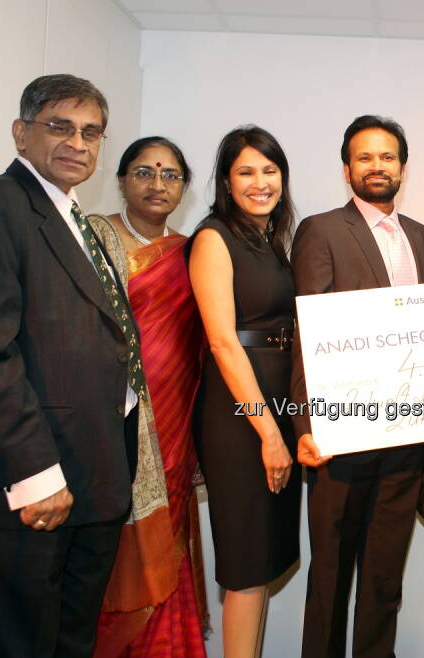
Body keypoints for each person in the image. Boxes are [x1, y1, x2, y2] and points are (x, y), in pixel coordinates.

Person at [0, 74, 139, 657]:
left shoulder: (79, 223)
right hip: (29, 483)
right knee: (12, 646)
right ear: (21, 134)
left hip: (93, 476)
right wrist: (34, 475)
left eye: (91, 132)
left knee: (69, 644)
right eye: (60, 127)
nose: (78, 143)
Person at [292, 115, 424, 658]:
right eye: (366, 157)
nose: (378, 166)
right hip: (340, 439)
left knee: (383, 580)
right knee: (330, 579)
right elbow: (309, 331)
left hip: (406, 439)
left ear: (402, 166)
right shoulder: (322, 230)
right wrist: (308, 426)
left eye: (388, 157)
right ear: (347, 168)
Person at [88, 137, 208, 657]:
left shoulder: (192, 252)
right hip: (107, 420)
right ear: (120, 180)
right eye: (143, 172)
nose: (157, 184)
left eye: (170, 175)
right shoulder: (92, 238)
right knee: (109, 540)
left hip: (176, 420)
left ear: (182, 187)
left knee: (167, 532)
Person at [188, 126, 301, 658]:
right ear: (226, 182)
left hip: (276, 409)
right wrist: (269, 434)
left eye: (270, 170)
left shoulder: (270, 241)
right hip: (241, 420)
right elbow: (222, 342)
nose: (260, 183)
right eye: (246, 172)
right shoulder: (214, 237)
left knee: (263, 561)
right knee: (245, 566)